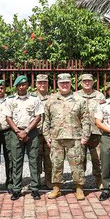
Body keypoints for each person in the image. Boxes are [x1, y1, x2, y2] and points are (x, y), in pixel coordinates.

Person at [43, 73, 90, 201]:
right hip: (56, 138)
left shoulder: (79, 99)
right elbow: (46, 120)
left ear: (70, 84)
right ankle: (56, 189)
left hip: (75, 138)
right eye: (62, 83)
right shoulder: (51, 100)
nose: (64, 85)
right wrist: (47, 136)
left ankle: (79, 188)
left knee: (77, 164)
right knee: (56, 164)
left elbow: (86, 119)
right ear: (57, 84)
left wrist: (85, 136)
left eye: (67, 83)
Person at [3, 75, 43, 200]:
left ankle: (35, 188)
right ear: (16, 87)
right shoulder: (10, 100)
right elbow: (8, 117)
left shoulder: (34, 99)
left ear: (27, 85)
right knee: (16, 161)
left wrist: (26, 131)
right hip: (15, 133)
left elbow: (38, 116)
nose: (21, 87)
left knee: (34, 160)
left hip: (31, 132)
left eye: (24, 84)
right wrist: (17, 131)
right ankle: (16, 189)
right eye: (19, 85)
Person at [75, 73, 104, 189]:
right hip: (80, 132)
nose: (87, 83)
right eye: (84, 81)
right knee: (80, 158)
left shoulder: (100, 96)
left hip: (96, 131)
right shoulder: (75, 96)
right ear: (81, 83)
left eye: (89, 81)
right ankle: (80, 183)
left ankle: (99, 180)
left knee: (97, 158)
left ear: (93, 82)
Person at [34, 74, 52, 189]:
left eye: (44, 82)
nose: (42, 85)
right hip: (36, 132)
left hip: (50, 132)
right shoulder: (32, 98)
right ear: (36, 84)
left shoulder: (53, 97)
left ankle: (49, 180)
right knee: (36, 156)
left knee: (49, 157)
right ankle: (36, 180)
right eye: (40, 82)